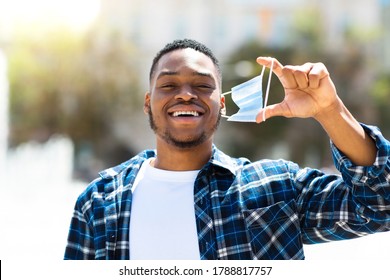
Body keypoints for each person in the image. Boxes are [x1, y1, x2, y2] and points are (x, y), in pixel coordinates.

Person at [64, 38, 390, 260]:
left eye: (202, 85)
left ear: (221, 105)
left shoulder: (276, 187)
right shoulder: (98, 202)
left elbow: (380, 206)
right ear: (149, 103)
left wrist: (329, 111)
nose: (186, 94)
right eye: (168, 85)